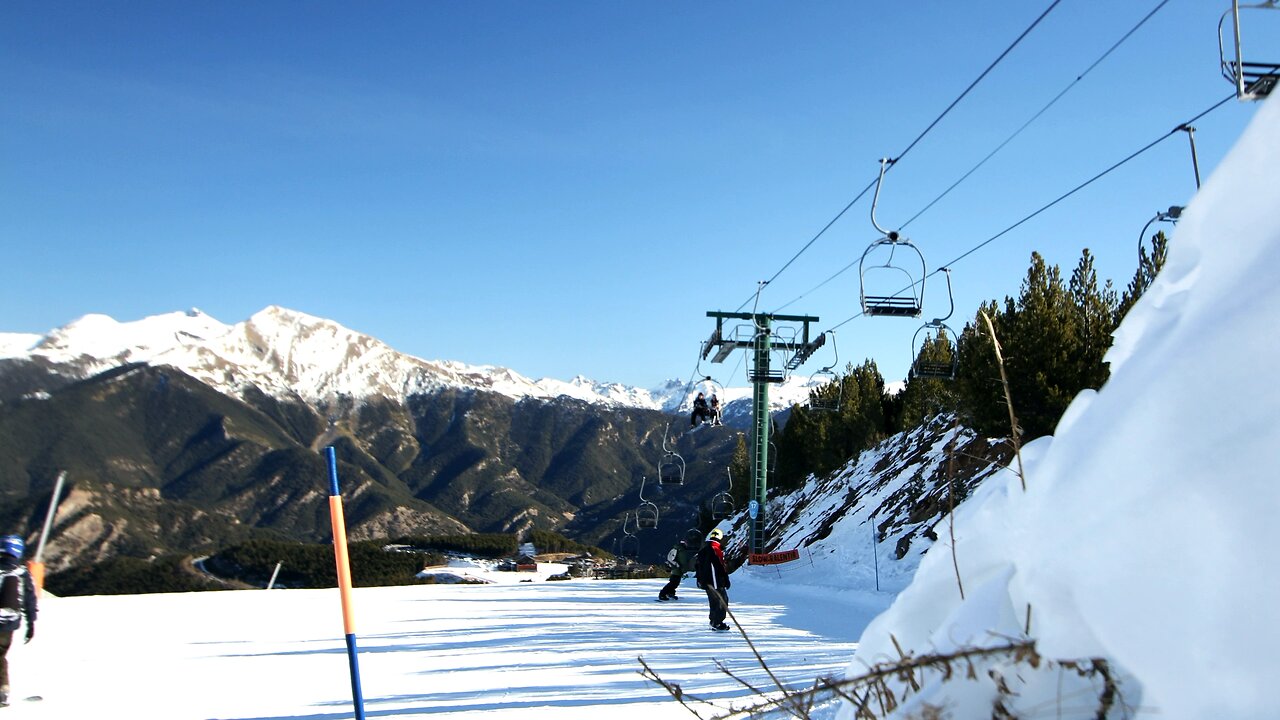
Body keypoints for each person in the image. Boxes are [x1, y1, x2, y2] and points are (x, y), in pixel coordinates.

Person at [0, 535, 36, 706]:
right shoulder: (22, 573)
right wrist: (31, 624)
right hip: (9, 624)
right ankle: (3, 690)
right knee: (0, 655)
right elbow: (30, 601)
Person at [695, 527, 731, 631]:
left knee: (713, 601)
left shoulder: (703, 550)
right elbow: (720, 566)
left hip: (706, 581)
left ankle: (713, 620)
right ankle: (718, 622)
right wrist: (725, 579)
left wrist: (700, 580)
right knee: (722, 600)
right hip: (715, 581)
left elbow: (697, 566)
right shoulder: (715, 549)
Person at [658, 528, 702, 601]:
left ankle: (670, 593)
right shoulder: (678, 549)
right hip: (676, 569)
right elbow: (670, 557)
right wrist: (676, 565)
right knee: (673, 582)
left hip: (680, 568)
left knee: (675, 582)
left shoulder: (684, 549)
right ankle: (662, 594)